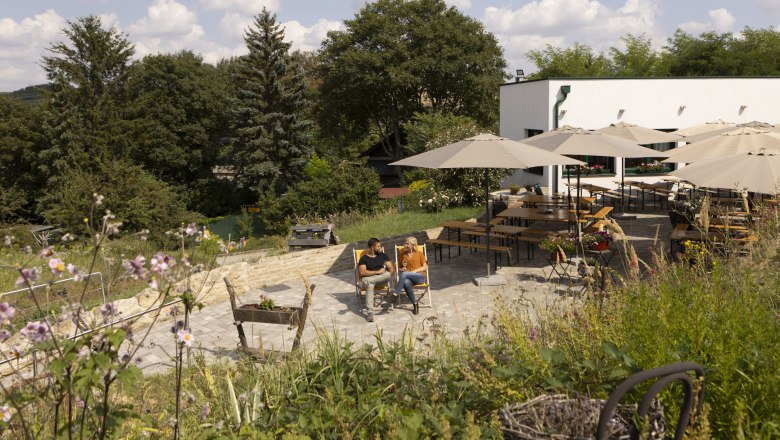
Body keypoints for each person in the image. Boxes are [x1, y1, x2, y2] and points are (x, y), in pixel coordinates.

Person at [358, 238, 393, 322]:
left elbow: (391, 269)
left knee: (388, 274)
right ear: (372, 247)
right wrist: (377, 272)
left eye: (380, 246)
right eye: (378, 246)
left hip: (382, 281)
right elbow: (362, 272)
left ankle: (364, 283)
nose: (380, 248)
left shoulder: (383, 255)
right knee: (370, 285)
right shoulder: (364, 259)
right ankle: (370, 312)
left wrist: (384, 271)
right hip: (372, 281)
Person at [395, 237, 428, 315]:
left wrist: (414, 271)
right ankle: (415, 304)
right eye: (405, 243)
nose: (405, 245)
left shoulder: (419, 253)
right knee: (406, 283)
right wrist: (402, 269)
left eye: (407, 244)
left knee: (404, 274)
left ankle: (396, 293)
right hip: (408, 278)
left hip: (420, 276)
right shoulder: (403, 255)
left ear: (413, 245)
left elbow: (425, 266)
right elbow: (399, 268)